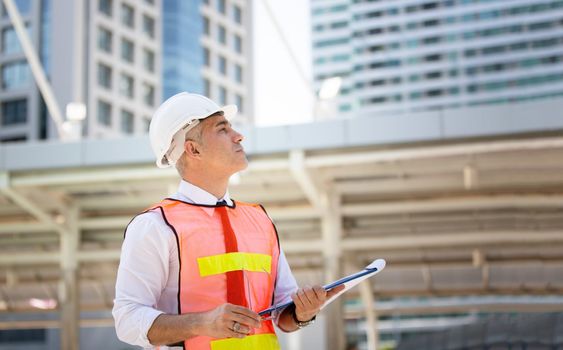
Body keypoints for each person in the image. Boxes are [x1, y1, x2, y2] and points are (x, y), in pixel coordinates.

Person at [113, 92, 344, 349]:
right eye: (222, 129)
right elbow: (127, 319)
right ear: (193, 149)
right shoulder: (155, 226)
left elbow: (283, 315)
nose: (238, 136)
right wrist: (202, 323)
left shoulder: (259, 219)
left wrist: (304, 312)